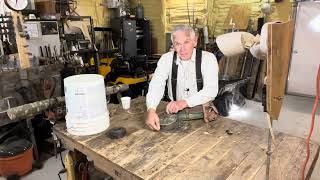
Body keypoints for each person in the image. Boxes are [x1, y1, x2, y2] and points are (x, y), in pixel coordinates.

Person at [145, 25, 219, 131]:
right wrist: (151, 109)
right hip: (174, 115)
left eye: (186, 42)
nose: (182, 49)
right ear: (173, 45)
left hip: (202, 115)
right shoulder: (166, 59)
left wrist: (183, 103)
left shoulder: (208, 59)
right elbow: (156, 85)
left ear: (195, 41)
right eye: (178, 44)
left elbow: (211, 90)